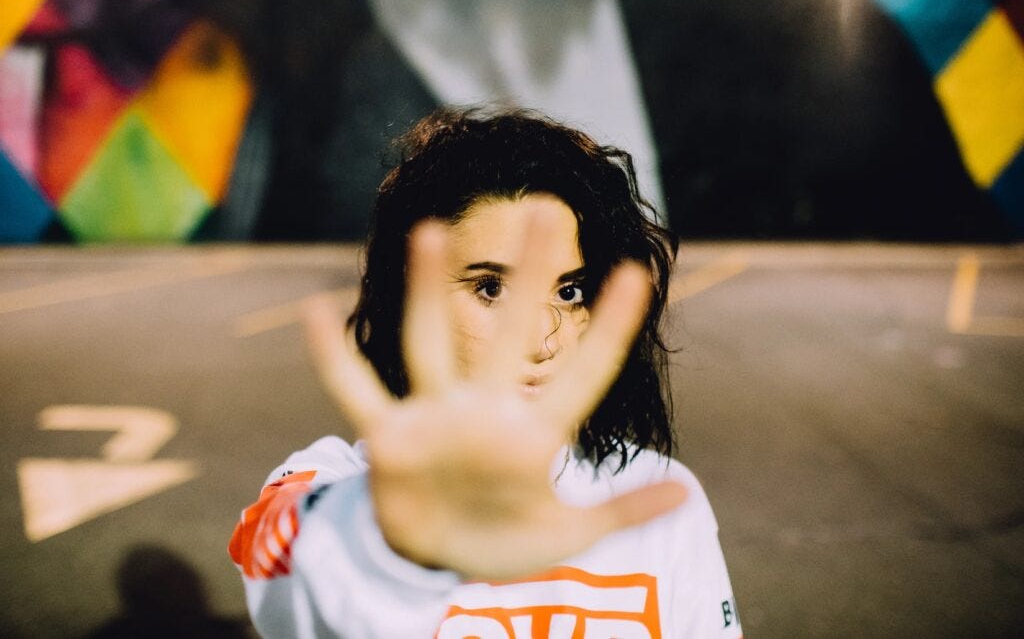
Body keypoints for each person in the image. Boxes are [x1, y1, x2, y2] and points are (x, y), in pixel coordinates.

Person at [229, 108, 742, 637]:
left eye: (570, 291)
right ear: (408, 294)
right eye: (491, 287)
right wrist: (395, 549)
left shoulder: (655, 496)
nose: (543, 338)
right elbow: (284, 572)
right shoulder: (334, 486)